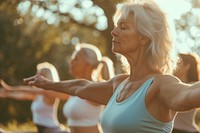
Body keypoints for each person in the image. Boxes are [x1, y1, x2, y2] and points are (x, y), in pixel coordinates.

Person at [23, 0, 200, 132]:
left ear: (144, 37)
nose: (114, 32)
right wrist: (48, 84)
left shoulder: (160, 85)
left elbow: (187, 94)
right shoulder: (119, 83)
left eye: (123, 27)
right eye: (116, 26)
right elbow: (82, 86)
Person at [0, 62, 69, 133]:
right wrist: (6, 94)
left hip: (52, 130)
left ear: (46, 77)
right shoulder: (38, 95)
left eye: (39, 75)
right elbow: (23, 96)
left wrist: (10, 88)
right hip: (42, 130)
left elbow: (28, 90)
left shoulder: (48, 93)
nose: (36, 77)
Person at [62, 43, 115, 133]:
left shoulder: (97, 88)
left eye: (76, 59)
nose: (70, 62)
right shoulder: (76, 86)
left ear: (88, 64)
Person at [172, 53, 200, 133]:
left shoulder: (194, 86)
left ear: (187, 66)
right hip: (172, 129)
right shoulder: (169, 84)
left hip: (187, 130)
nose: (174, 66)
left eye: (178, 63)